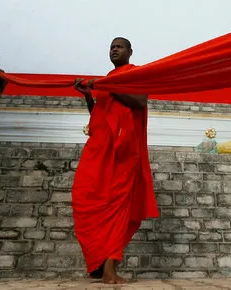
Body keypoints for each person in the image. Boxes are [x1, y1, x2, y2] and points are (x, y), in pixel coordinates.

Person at [71, 37, 159, 284]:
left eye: (119, 46)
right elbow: (101, 114)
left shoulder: (136, 74)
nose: (114, 50)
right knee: (84, 198)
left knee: (119, 205)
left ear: (130, 51)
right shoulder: (108, 80)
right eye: (111, 47)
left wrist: (109, 86)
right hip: (101, 148)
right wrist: (90, 94)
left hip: (124, 153)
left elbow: (140, 102)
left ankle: (110, 266)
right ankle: (97, 261)